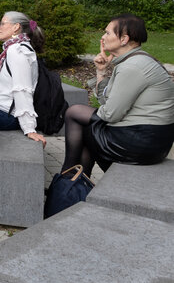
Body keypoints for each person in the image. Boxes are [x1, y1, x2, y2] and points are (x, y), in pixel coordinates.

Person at [61, 14, 174, 176]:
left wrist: (91, 118)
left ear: (124, 39)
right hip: (153, 140)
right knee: (85, 125)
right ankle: (72, 182)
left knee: (75, 114)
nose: (103, 37)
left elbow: (111, 114)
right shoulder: (137, 60)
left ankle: (67, 180)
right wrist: (101, 72)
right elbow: (106, 101)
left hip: (142, 143)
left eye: (107, 33)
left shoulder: (132, 67)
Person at [0, 11, 47, 146]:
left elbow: (22, 89)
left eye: (2, 24)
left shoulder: (18, 51)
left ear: (16, 27)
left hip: (6, 115)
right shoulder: (14, 48)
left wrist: (29, 128)